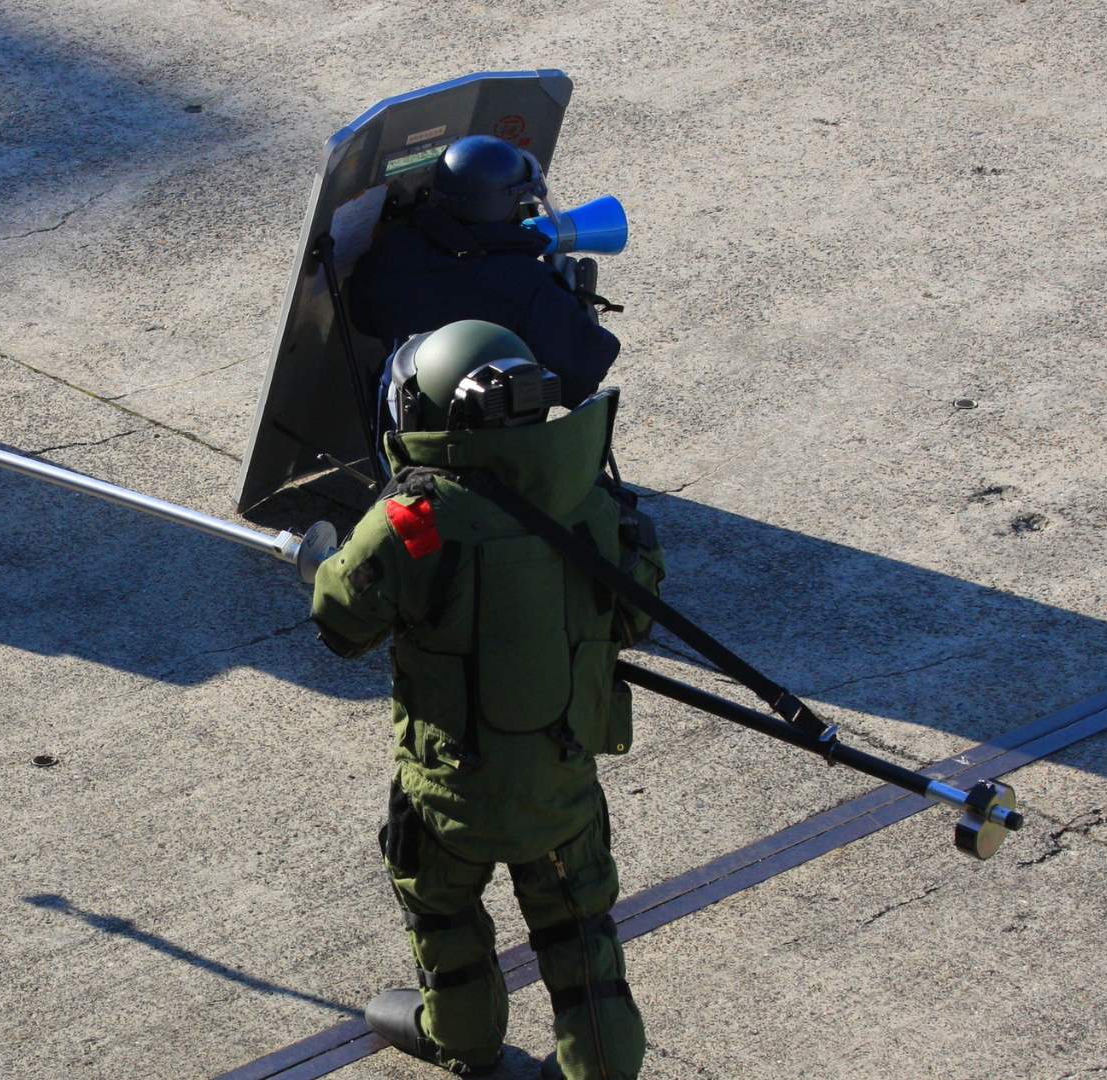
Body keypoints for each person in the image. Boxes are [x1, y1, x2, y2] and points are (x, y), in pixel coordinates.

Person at [309, 320, 664, 1079]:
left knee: (442, 913)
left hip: (450, 793)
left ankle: (463, 1040)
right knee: (580, 939)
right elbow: (636, 614)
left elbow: (341, 624)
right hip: (560, 785)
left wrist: (325, 559)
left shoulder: (416, 520)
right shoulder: (588, 504)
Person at [347, 135, 620, 413]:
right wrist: (580, 304)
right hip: (499, 449)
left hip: (403, 439)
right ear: (507, 203)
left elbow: (362, 319)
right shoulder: (526, 283)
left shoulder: (393, 251)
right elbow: (582, 379)